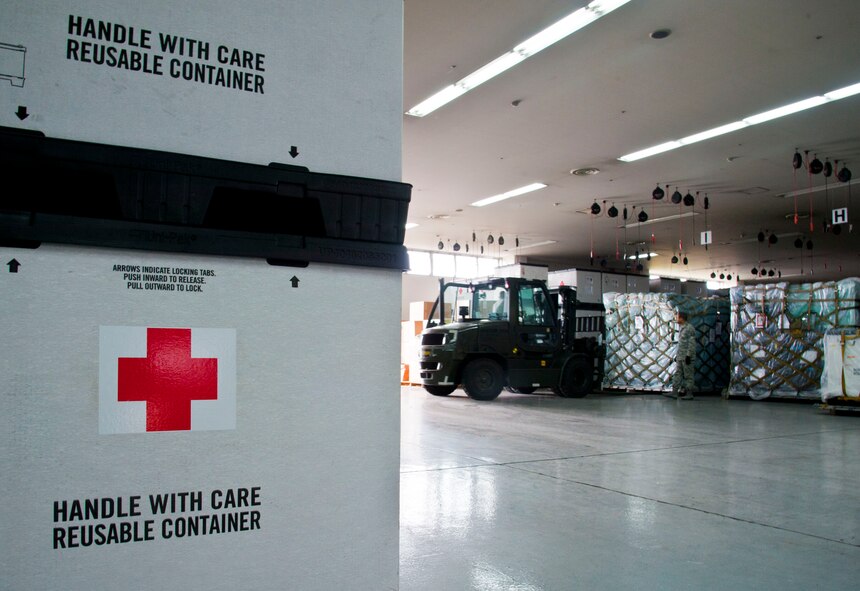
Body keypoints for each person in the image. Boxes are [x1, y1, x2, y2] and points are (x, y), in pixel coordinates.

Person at [672, 310, 696, 400]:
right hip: (680, 356)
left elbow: (691, 343)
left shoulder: (689, 328)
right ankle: (674, 391)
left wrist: (689, 355)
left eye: (677, 317)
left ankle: (689, 393)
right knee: (678, 373)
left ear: (681, 318)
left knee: (688, 375)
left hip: (686, 357)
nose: (676, 319)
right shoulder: (681, 328)